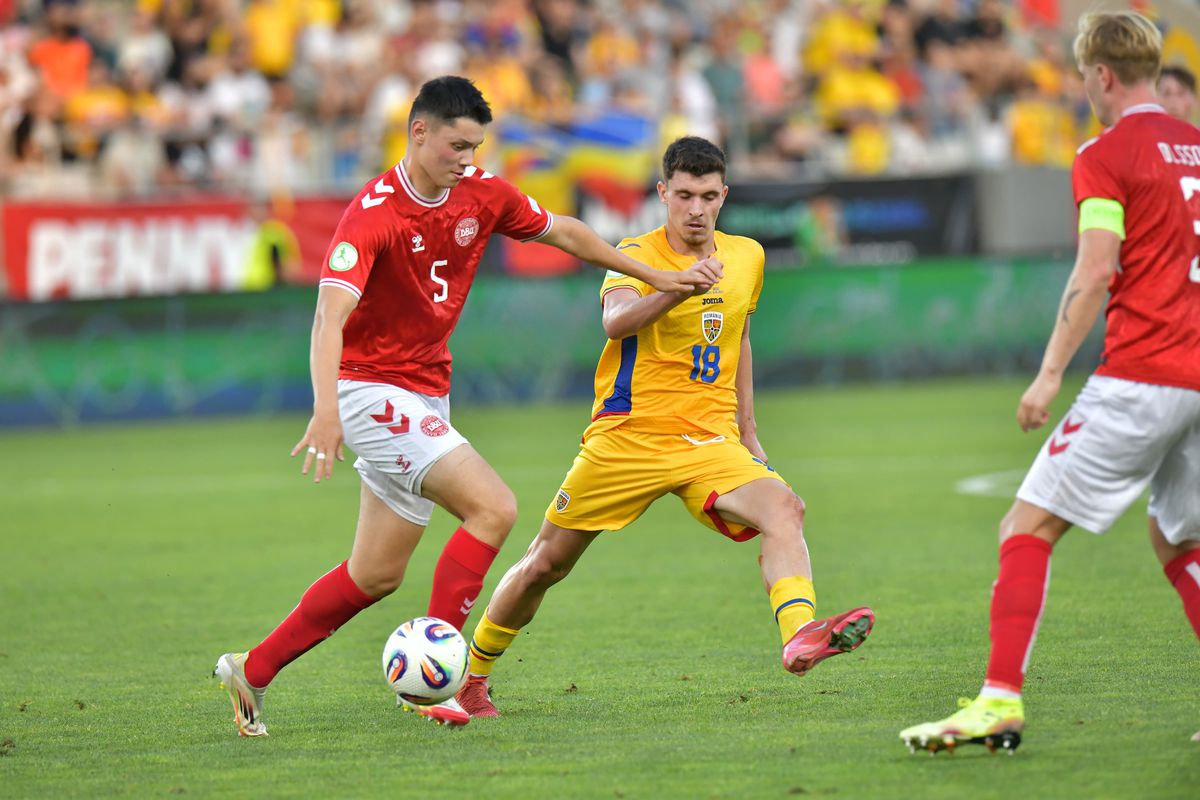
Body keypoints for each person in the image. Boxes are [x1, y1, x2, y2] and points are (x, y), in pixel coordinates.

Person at [214, 76, 721, 735]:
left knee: (374, 574)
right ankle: (440, 685)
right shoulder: (373, 214)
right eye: (456, 144)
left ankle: (251, 670)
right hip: (368, 390)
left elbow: (563, 232)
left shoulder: (481, 193)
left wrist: (653, 274)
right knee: (494, 507)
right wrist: (327, 409)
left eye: (475, 145)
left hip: (425, 390)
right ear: (417, 132)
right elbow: (327, 319)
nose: (466, 158)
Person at [454, 136, 875, 719]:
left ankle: (799, 635)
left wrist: (748, 430)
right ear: (663, 194)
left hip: (709, 439)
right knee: (546, 563)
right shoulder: (635, 252)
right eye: (684, 195)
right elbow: (615, 320)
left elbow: (738, 336)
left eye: (708, 196)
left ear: (724, 195)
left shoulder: (746, 257)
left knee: (786, 509)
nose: (696, 209)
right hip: (627, 437)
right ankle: (473, 676)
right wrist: (674, 288)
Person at [900, 11, 1200, 755]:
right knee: (1177, 539)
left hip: (1142, 374)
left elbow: (1097, 267)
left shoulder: (1106, 153)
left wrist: (1048, 374)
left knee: (1025, 527)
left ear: (1099, 74)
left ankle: (999, 700)